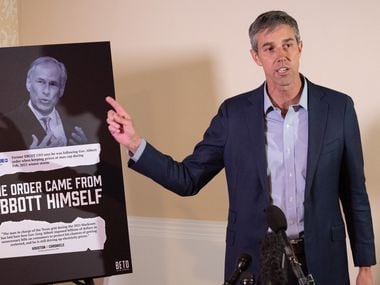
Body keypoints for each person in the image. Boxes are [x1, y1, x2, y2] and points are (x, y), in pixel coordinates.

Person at [106, 10, 376, 284]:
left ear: (300, 47)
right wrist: (135, 143)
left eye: (288, 45)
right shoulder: (233, 115)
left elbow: (355, 193)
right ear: (256, 57)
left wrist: (365, 266)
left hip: (323, 260)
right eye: (269, 48)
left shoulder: (338, 108)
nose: (281, 55)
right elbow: (187, 179)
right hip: (256, 263)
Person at [4, 56, 88, 150]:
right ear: (28, 83)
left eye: (53, 84)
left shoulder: (76, 129)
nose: (46, 91)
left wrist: (85, 153)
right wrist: (29, 160)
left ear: (61, 90)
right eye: (40, 82)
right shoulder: (6, 124)